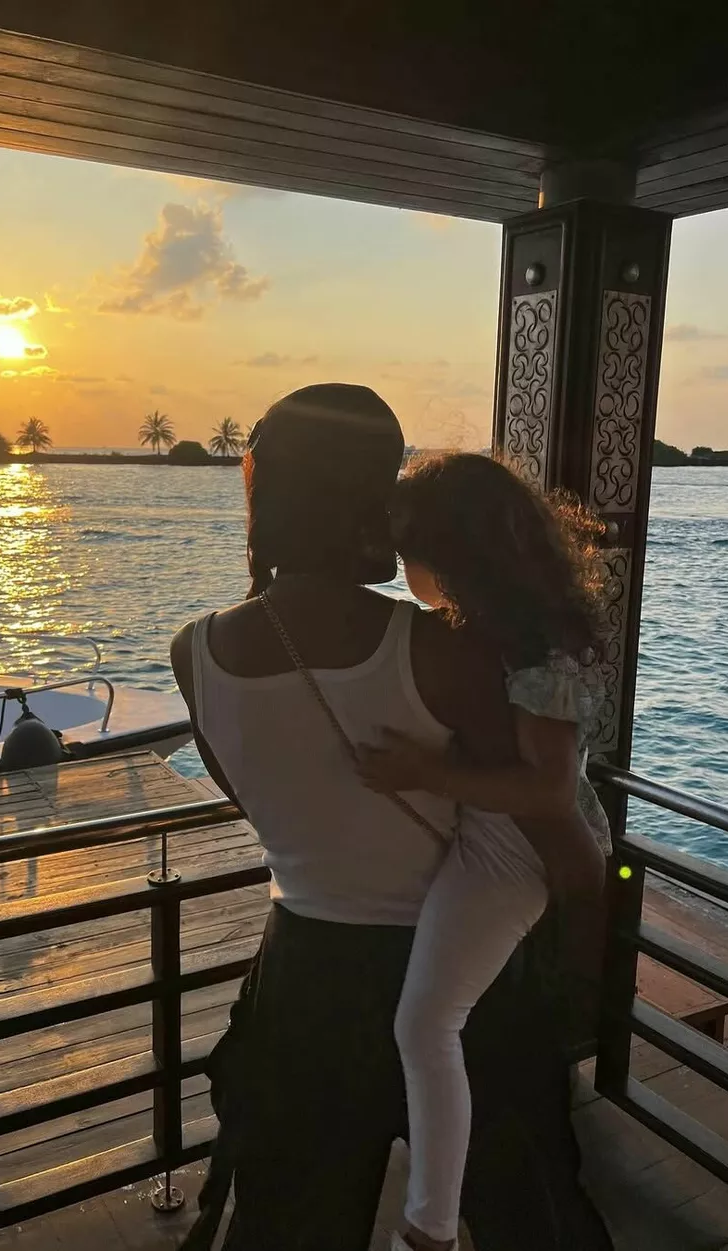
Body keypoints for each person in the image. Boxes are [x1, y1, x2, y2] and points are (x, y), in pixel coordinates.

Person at [170, 384, 613, 1251]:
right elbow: (560, 840)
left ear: (259, 483)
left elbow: (257, 808)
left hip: (304, 979)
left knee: (291, 1227)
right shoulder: (445, 650)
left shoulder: (194, 653)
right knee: (531, 1220)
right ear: (382, 500)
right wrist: (581, 955)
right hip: (470, 977)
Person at [354, 452, 610, 1251]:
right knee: (433, 1020)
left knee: (426, 1023)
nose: (404, 569)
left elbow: (548, 792)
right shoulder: (501, 632)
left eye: (410, 551)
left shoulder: (538, 655)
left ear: (455, 555)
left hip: (512, 850)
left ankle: (429, 1227)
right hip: (496, 833)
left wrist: (421, 771)